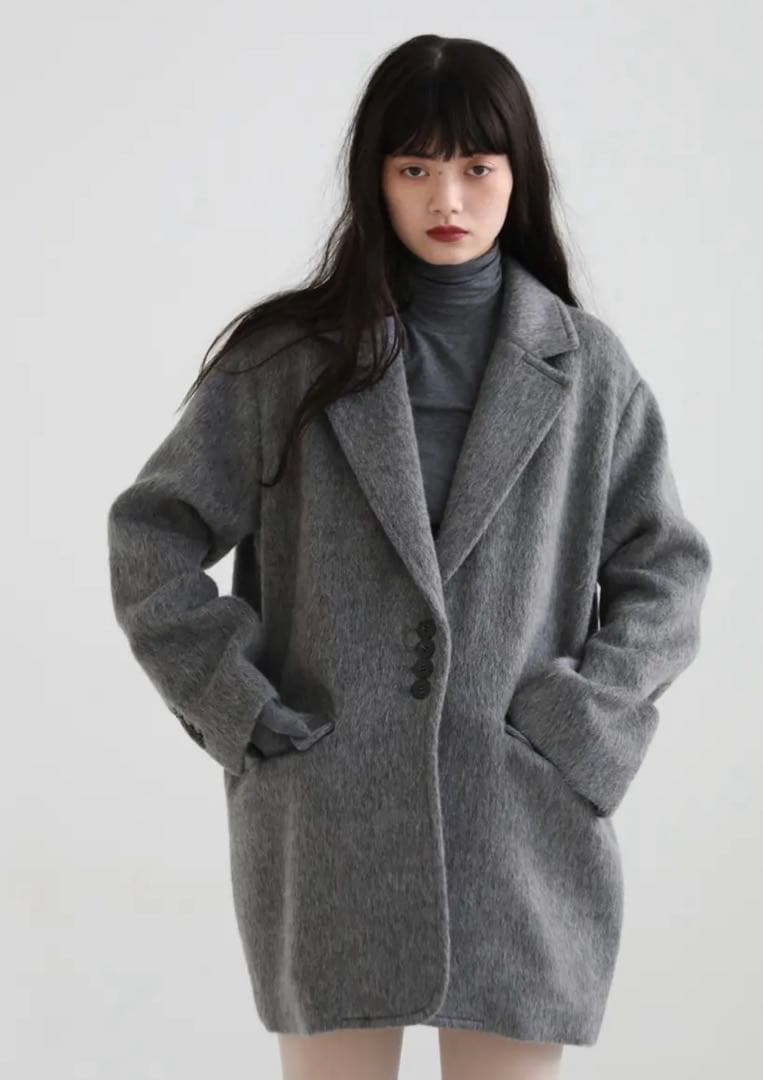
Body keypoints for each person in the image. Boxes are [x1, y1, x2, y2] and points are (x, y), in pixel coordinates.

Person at [107, 33, 712, 1080]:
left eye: (477, 166)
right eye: (415, 167)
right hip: (331, 813)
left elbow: (665, 570)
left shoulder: (588, 372)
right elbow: (151, 534)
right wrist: (236, 704)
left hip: (519, 822)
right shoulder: (285, 362)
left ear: (518, 176)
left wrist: (582, 726)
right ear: (375, 177)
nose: (449, 198)